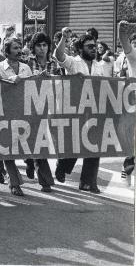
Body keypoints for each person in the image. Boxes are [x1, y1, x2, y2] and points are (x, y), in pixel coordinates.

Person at [54, 28, 104, 193]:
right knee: (76, 143)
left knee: (95, 146)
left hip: (95, 110)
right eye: (89, 46)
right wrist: (64, 37)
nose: (93, 48)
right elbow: (58, 55)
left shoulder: (100, 65)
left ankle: (88, 182)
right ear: (80, 48)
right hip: (75, 110)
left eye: (94, 46)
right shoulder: (73, 62)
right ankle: (62, 165)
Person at [0, 38, 31, 196]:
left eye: (20, 47)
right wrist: (12, 80)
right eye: (15, 48)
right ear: (7, 51)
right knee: (8, 148)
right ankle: (14, 183)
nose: (19, 50)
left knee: (19, 147)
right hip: (4, 112)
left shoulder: (26, 67)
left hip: (23, 112)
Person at [24, 32, 61, 191]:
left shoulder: (54, 63)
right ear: (33, 47)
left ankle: (32, 163)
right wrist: (39, 77)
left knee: (42, 141)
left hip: (49, 106)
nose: (42, 48)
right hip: (30, 107)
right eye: (39, 45)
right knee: (35, 140)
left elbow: (61, 84)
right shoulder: (26, 62)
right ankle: (44, 178)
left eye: (45, 45)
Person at [118, 21, 136, 184]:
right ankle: (127, 172)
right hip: (133, 106)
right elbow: (125, 43)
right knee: (132, 143)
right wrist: (122, 31)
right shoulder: (133, 56)